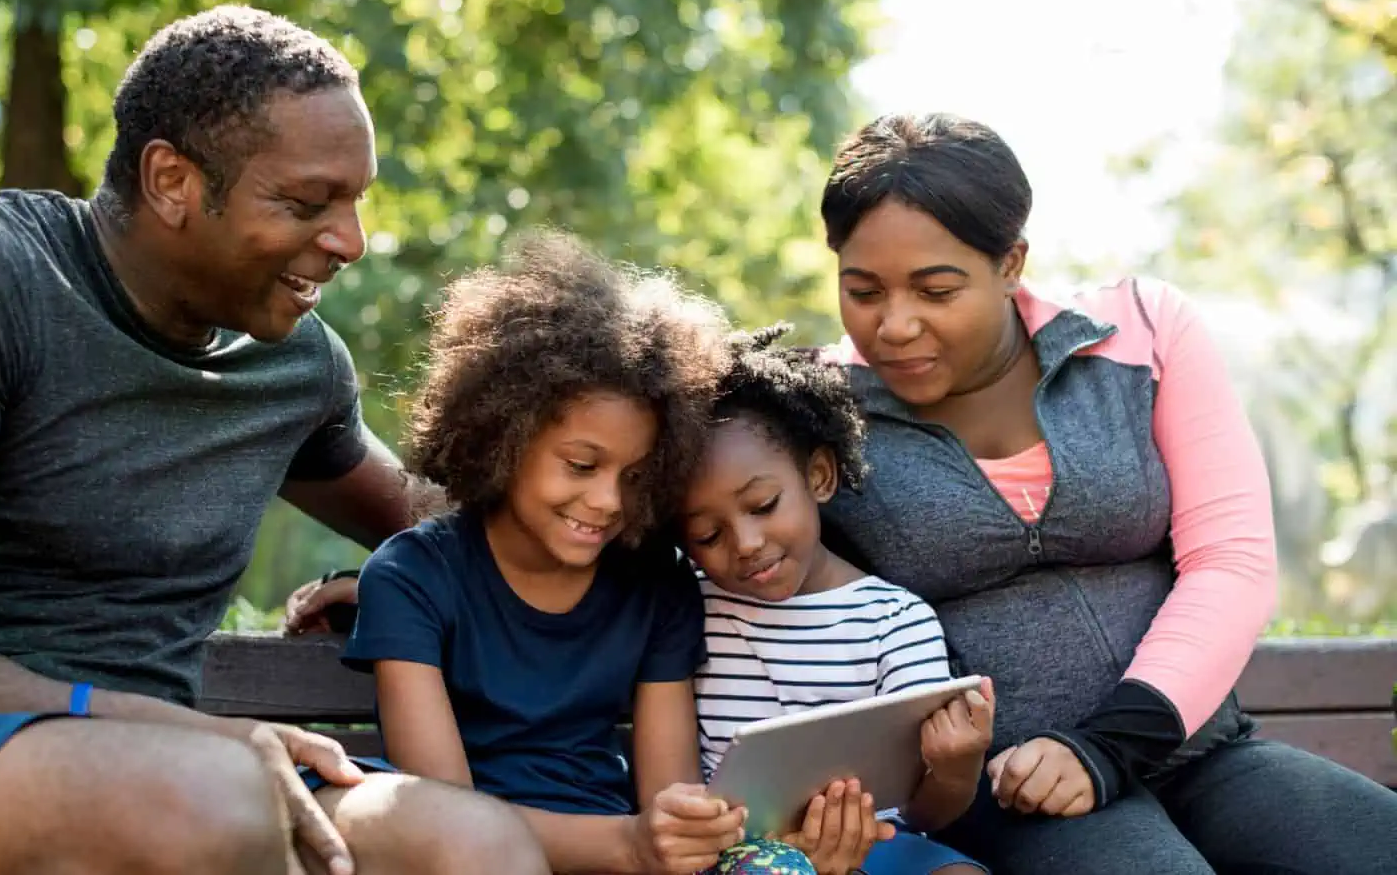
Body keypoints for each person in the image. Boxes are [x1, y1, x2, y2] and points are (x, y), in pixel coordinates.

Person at [0, 5, 546, 875]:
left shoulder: (294, 366)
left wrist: (396, 579)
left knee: (470, 842)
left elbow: (463, 536)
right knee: (206, 800)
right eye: (307, 203)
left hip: (179, 776)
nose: (350, 241)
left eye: (354, 202)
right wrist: (151, 725)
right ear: (171, 180)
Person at [814, 111, 1397, 874]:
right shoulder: (819, 410)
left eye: (936, 290)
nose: (894, 326)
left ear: (1011, 262)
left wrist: (1110, 745)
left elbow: (1232, 561)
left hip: (1197, 751)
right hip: (1006, 793)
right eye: (862, 291)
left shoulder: (1139, 333)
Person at [339, 230, 806, 874]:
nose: (609, 501)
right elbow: (442, 818)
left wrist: (684, 829)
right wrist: (629, 846)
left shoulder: (654, 585)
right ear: (504, 435)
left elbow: (665, 795)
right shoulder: (412, 577)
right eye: (581, 465)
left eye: (636, 476)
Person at [680, 324, 991, 875]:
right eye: (708, 536)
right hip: (741, 853)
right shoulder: (688, 609)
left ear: (819, 477)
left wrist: (956, 766)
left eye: (764, 505)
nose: (746, 544)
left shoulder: (894, 620)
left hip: (878, 841)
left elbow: (927, 811)